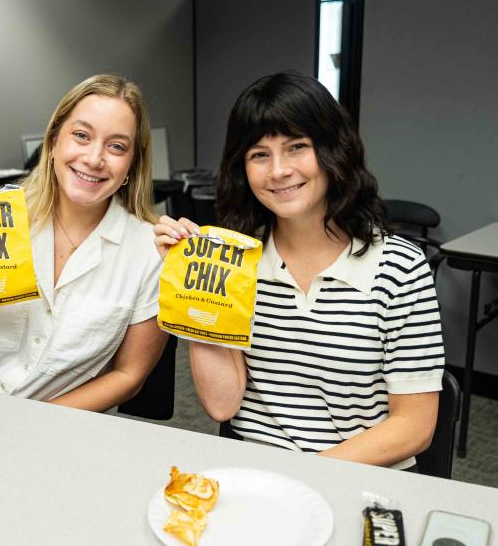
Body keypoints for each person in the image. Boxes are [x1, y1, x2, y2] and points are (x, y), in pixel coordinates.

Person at [155, 72, 443, 470]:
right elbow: (222, 406)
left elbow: (414, 426)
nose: (278, 170)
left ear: (332, 151)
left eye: (296, 147)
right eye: (259, 154)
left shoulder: (400, 267)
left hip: (357, 476)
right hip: (256, 474)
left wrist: (303, 477)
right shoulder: (239, 262)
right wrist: (196, 295)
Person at [0, 74, 168, 411]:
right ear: (53, 142)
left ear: (130, 165)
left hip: (55, 420)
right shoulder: (1, 218)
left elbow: (129, 376)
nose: (95, 158)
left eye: (116, 146)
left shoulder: (149, 251)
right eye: (81, 136)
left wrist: (36, 420)